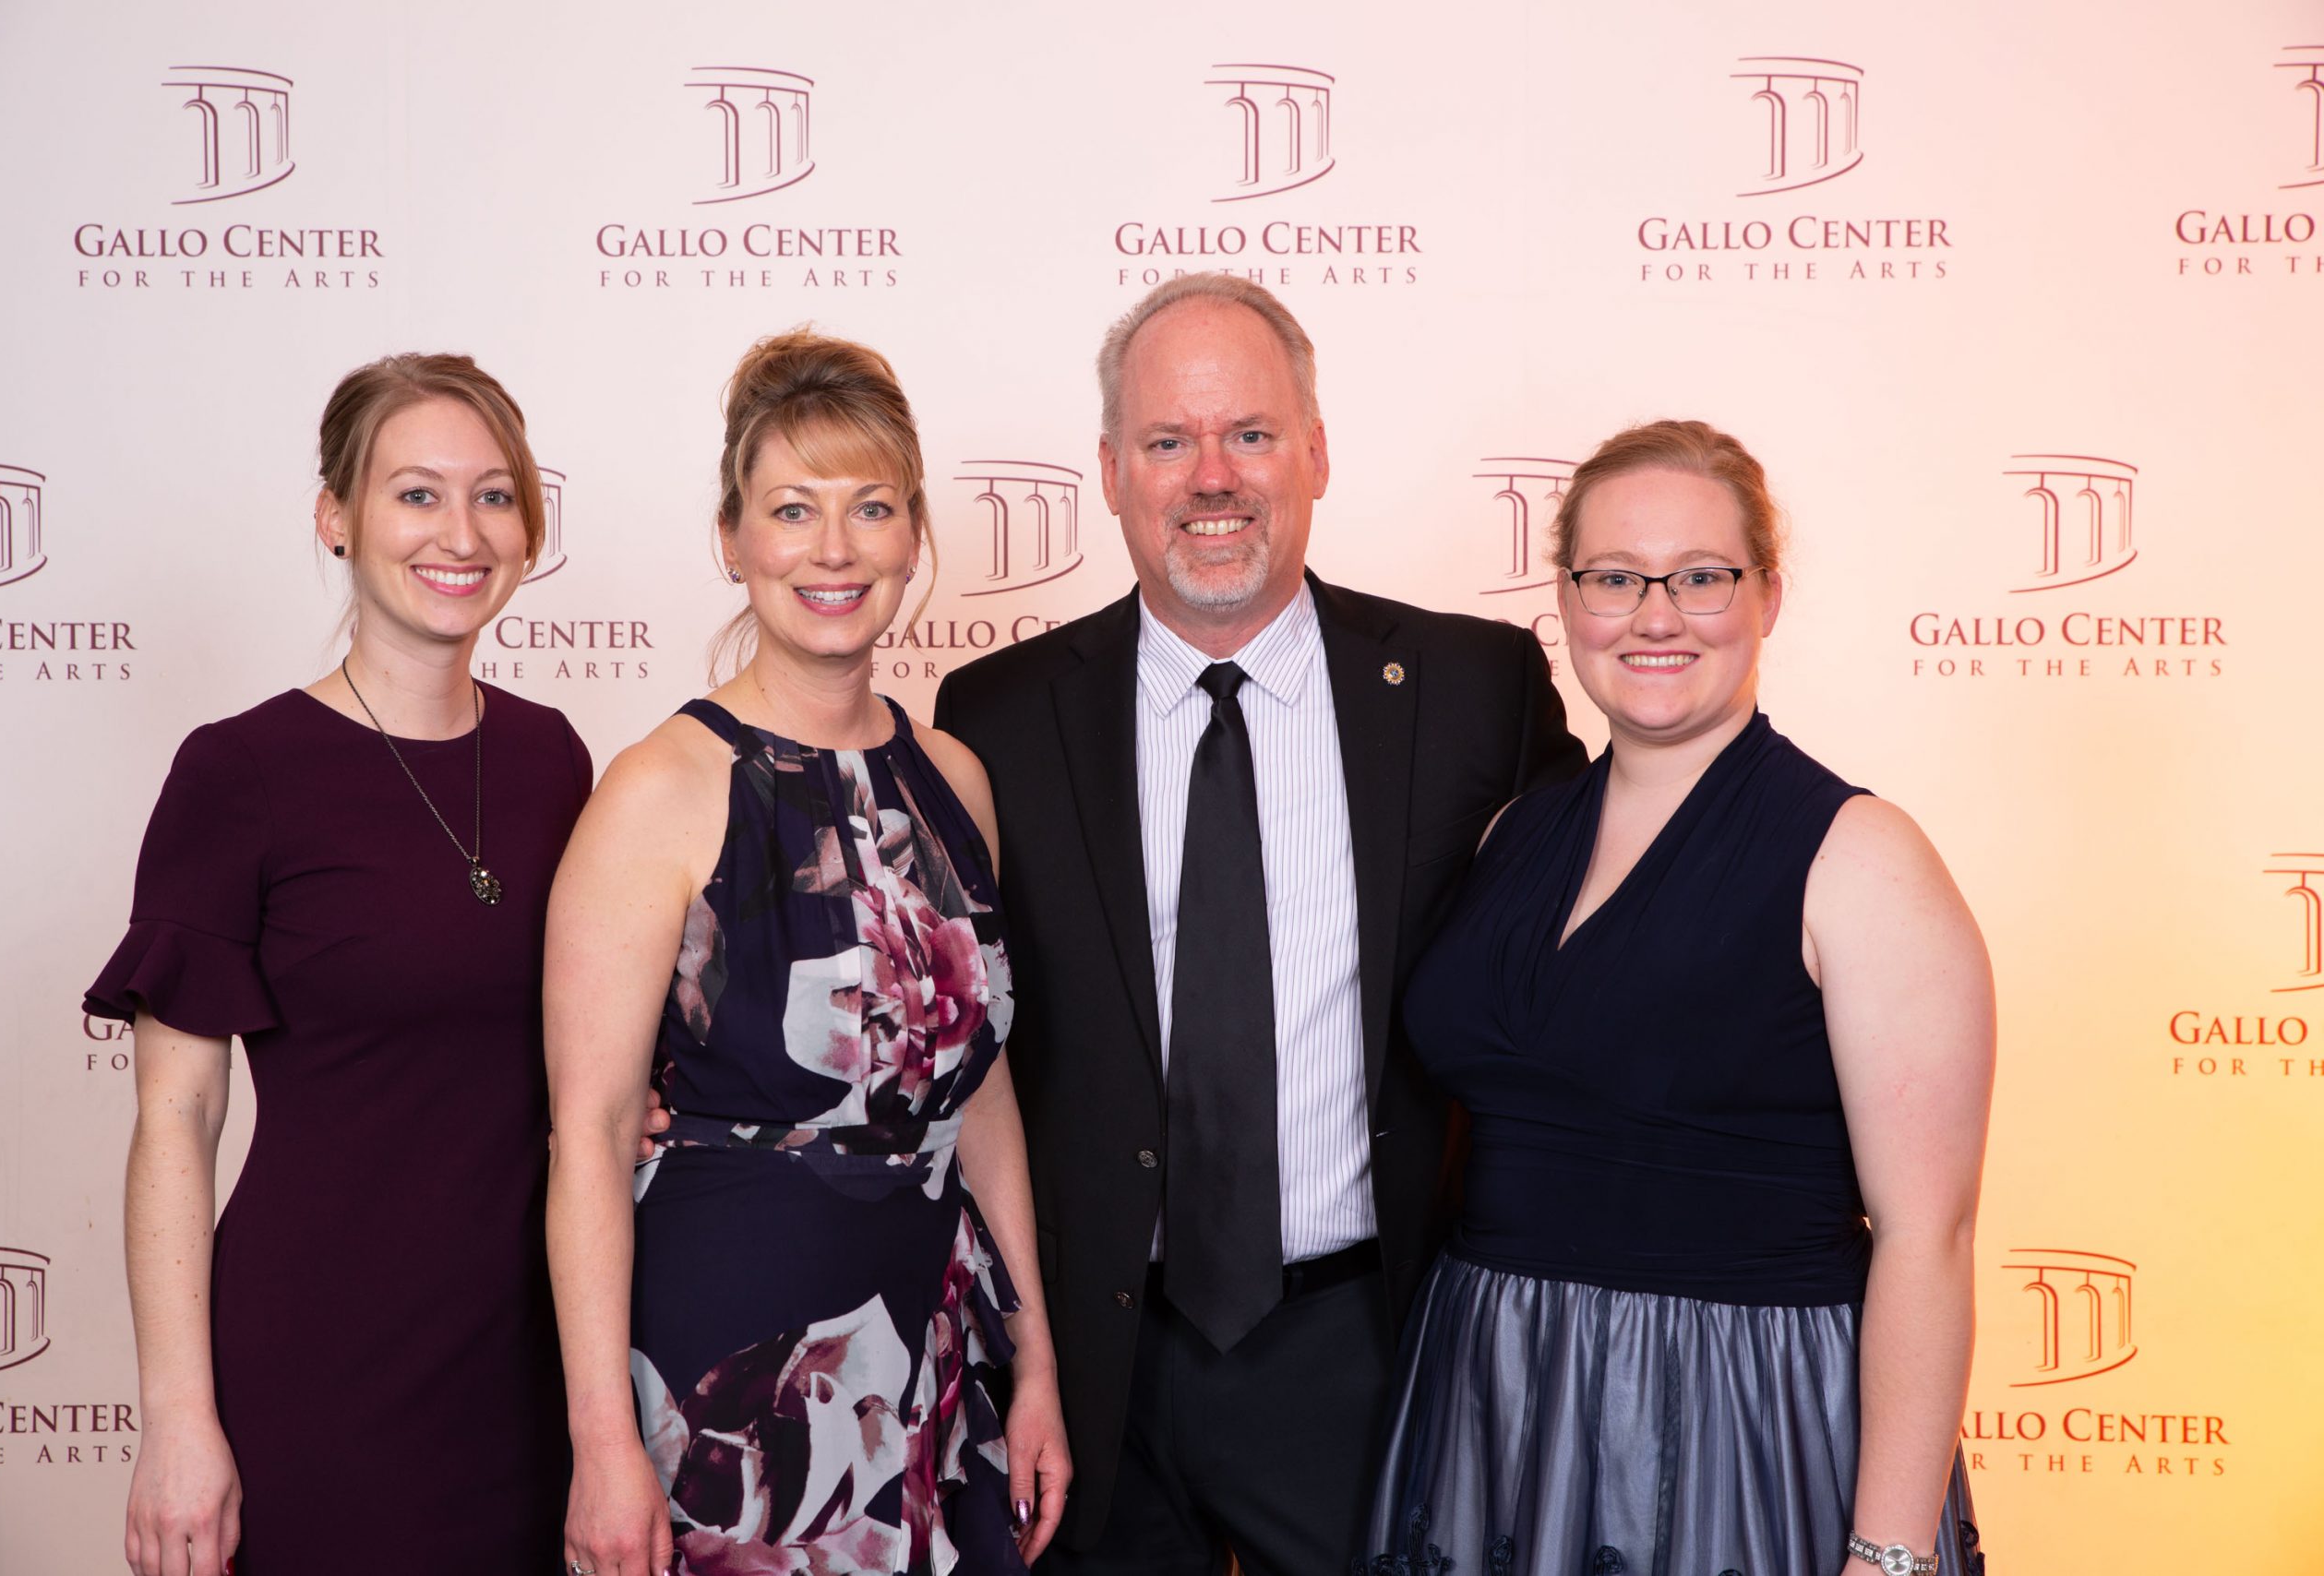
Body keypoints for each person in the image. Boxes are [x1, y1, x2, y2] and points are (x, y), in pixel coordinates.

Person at [930, 276, 1586, 1573]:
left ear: (1317, 453)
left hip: (1363, 1344)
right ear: (1111, 473)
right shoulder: (996, 718)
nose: (1212, 477)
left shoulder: (1474, 691)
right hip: (1091, 1370)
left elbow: (1600, 943)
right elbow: (946, 1012)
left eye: (1250, 434)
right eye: (1168, 441)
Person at [1356, 421, 1992, 1576]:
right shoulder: (1514, 833)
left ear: (1767, 595)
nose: (1656, 616)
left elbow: (1927, 1237)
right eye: (1615, 578)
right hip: (1491, 1394)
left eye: (1701, 577)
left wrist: (1891, 1552)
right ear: (1566, 600)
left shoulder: (1860, 857)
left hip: (1734, 1414)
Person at [544, 328, 1070, 1576]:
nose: (834, 549)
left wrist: (1036, 1361)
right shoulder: (658, 790)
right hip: (738, 1373)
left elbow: (980, 1093)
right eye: (792, 509)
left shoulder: (953, 779)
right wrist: (604, 1442)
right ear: (732, 539)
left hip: (935, 1343)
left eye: (870, 507)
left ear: (912, 537)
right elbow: (590, 1137)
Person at [88, 354, 591, 1576]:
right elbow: (175, 1120)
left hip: (526, 1370)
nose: (461, 532)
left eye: (493, 495)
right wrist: (177, 1422)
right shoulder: (239, 772)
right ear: (336, 517)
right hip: (317, 1365)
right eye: (416, 493)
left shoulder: (555, 760)